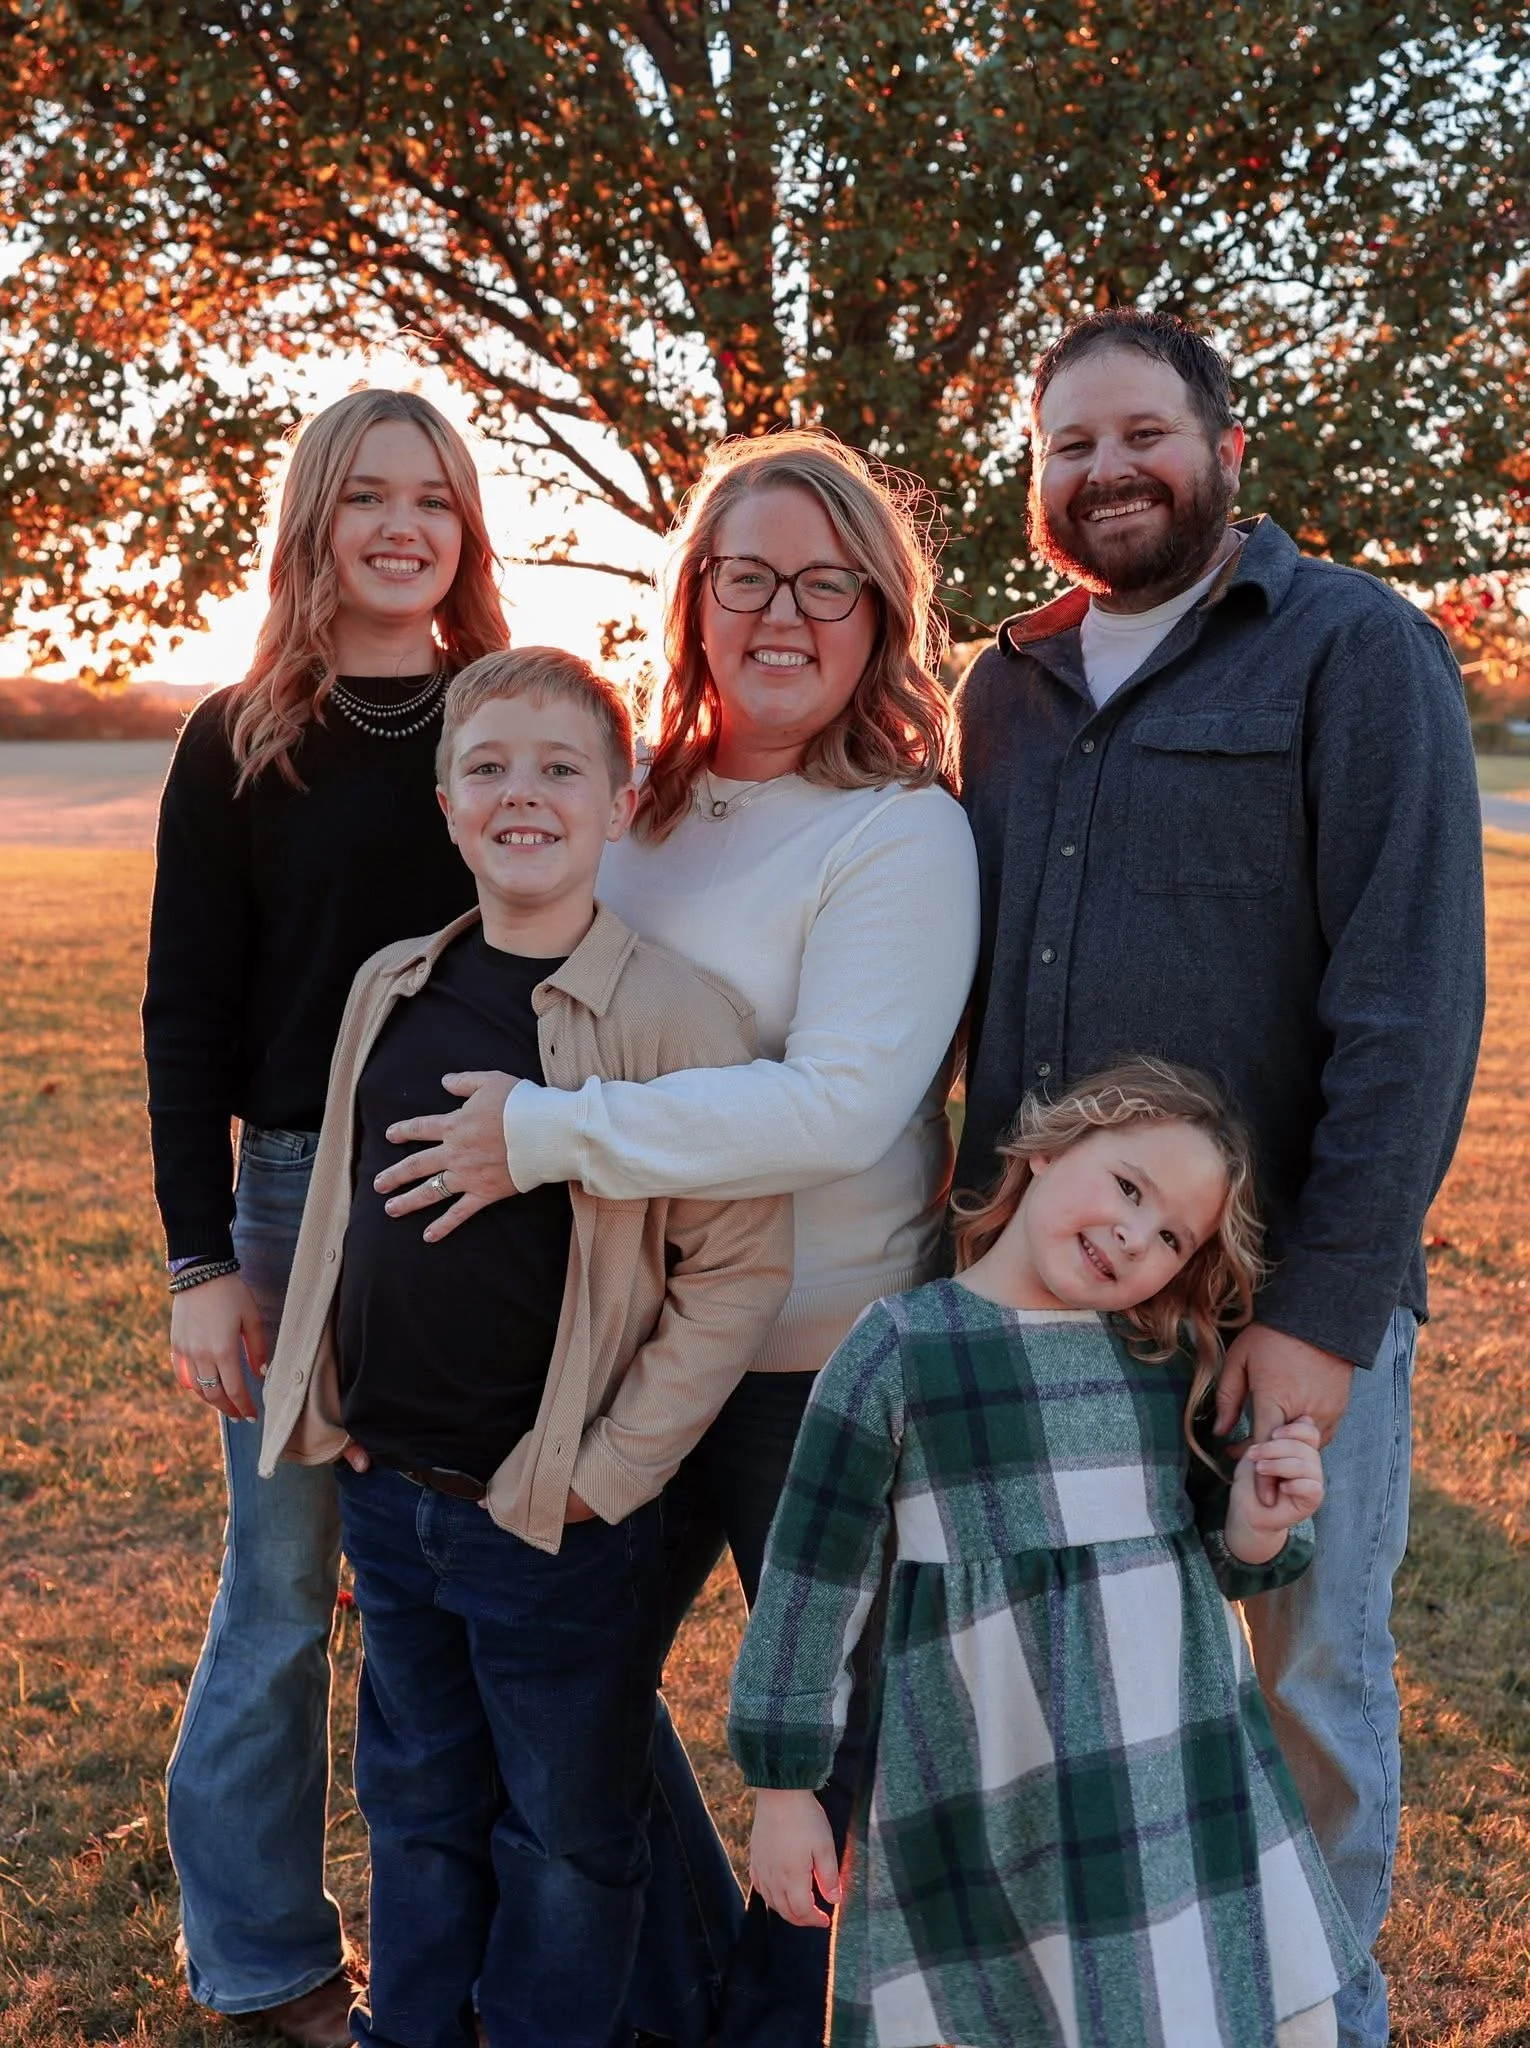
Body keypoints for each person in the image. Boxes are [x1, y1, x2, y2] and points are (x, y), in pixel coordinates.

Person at [371, 431, 981, 2047]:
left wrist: (546, 1136)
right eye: (746, 574)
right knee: (563, 1697)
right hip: (627, 1345)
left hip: (822, 1368)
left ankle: (775, 2021)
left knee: (814, 1748)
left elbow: (838, 1105)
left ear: (878, 612)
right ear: (696, 597)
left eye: (826, 581)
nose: (783, 611)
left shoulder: (903, 832)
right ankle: (689, 1987)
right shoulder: (639, 805)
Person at [953, 309, 1486, 2048]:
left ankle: (1320, 2014)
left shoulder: (1352, 649)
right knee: (1084, 1694)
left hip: (1271, 1306)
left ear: (1226, 451)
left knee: (1304, 1682)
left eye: (1140, 435)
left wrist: (1325, 1314)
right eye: (1068, 447)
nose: (1105, 473)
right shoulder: (1006, 685)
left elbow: (1408, 1004)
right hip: (1046, 1299)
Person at [258, 647, 792, 2048]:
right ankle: (415, 2028)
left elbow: (734, 1271)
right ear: (445, 803)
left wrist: (602, 1474)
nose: (521, 795)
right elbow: (336, 1215)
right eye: (488, 766)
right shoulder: (394, 981)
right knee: (417, 1801)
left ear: (620, 803)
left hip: (553, 1513)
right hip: (390, 1487)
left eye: (560, 768)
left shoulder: (671, 1014)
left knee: (565, 1831)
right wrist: (331, 1405)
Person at [732, 1059, 1364, 2048]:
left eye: (1170, 1236)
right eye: (1126, 1185)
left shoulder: (1162, 1355)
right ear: (1047, 1147)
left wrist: (1259, 1520)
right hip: (993, 1776)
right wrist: (783, 1787)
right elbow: (813, 1585)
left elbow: (1219, 1554)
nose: (1133, 1235)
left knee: (1197, 1998)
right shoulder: (903, 1347)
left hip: (1172, 1767)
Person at [142, 388, 509, 2046]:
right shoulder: (240, 740)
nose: (402, 525)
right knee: (288, 1593)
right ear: (313, 520)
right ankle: (265, 1959)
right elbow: (183, 1020)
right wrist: (201, 1261)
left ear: (464, 526)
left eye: (433, 496)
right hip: (296, 1201)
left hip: (493, 1185)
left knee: (505, 1578)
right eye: (367, 494)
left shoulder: (500, 718)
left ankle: (518, 1935)